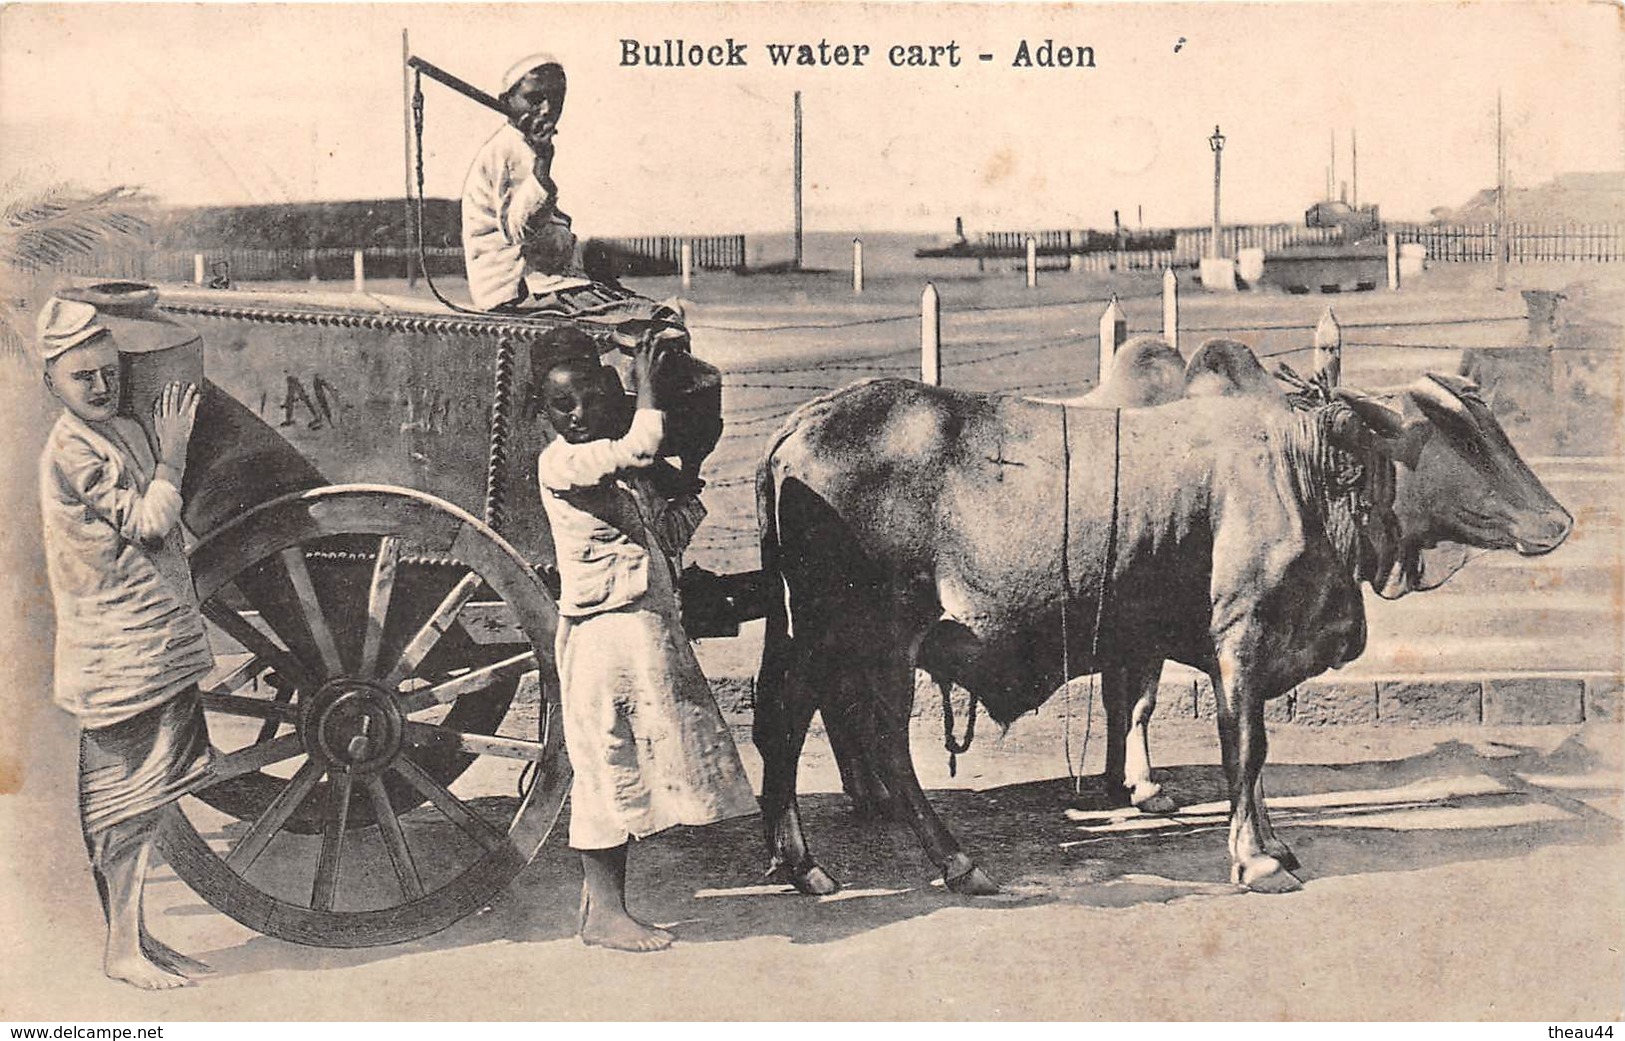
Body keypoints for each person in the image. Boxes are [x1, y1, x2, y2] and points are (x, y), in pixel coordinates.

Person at [535, 334, 757, 953]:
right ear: (543, 415)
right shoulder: (561, 463)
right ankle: (605, 915)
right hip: (604, 633)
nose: (577, 415)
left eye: (590, 400)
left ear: (611, 403)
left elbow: (671, 534)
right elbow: (641, 444)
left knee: (626, 765)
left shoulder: (624, 471)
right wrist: (646, 381)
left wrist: (688, 478)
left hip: (643, 628)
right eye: (563, 406)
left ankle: (602, 906)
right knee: (605, 765)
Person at [35, 291, 214, 989]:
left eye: (109, 371)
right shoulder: (72, 448)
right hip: (118, 652)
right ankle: (120, 949)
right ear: (51, 380)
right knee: (123, 805)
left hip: (152, 642)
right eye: (85, 377)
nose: (102, 386)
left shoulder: (120, 430)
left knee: (152, 794)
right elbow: (144, 521)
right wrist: (173, 457)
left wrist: (160, 452)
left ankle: (136, 937)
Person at [461, 53, 687, 348]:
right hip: (525, 290)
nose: (547, 109)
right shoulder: (508, 150)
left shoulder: (520, 146)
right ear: (507, 100)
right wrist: (542, 167)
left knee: (646, 313)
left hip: (547, 285)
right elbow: (518, 229)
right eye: (534, 98)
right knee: (662, 321)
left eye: (556, 99)